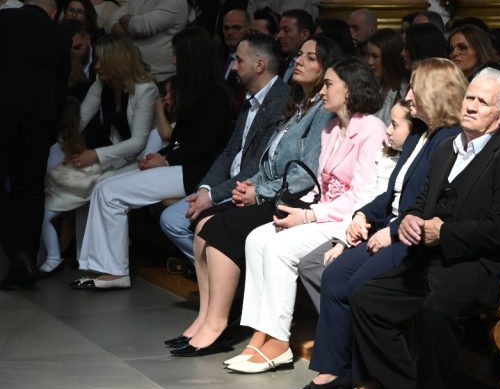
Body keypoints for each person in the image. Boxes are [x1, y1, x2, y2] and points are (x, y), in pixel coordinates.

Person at [349, 68, 500, 389]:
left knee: (437, 307)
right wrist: (409, 220)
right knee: (367, 298)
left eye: (483, 102)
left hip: (487, 264)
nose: (471, 106)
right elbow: (421, 203)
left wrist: (445, 233)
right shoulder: (446, 148)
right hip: (436, 257)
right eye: (470, 97)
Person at [291, 58, 466, 389]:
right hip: (389, 227)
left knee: (360, 284)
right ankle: (334, 370)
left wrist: (394, 230)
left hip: (413, 238)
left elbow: (434, 206)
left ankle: (367, 378)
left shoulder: (447, 140)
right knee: (335, 274)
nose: (408, 95)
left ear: (435, 92)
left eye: (415, 88)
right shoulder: (419, 134)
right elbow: (392, 193)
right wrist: (363, 214)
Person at [168, 36, 338, 354]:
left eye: (310, 58)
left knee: (220, 228)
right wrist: (251, 185)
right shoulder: (299, 105)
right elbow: (267, 160)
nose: (299, 61)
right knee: (204, 223)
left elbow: (305, 172)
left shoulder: (321, 110)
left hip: (294, 200)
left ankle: (219, 325)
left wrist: (258, 192)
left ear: (327, 69)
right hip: (272, 192)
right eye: (299, 55)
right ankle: (206, 317)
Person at [222, 57, 385, 371]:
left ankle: (279, 342)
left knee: (279, 248)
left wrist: (309, 216)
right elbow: (320, 185)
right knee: (257, 239)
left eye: (329, 84)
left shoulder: (371, 130)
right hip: (323, 213)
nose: (322, 91)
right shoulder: (330, 127)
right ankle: (260, 334)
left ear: (349, 89)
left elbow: (361, 196)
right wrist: (297, 210)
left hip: (346, 220)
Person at [69, 27, 232, 290]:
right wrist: (161, 155)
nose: (172, 60)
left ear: (191, 57)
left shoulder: (214, 95)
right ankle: (102, 267)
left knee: (110, 193)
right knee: (102, 187)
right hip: (181, 166)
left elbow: (204, 147)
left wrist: (165, 159)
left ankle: (114, 271)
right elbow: (181, 139)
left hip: (196, 174)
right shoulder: (198, 91)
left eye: (176, 54)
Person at [157, 34, 290, 265]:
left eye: (239, 60)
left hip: (250, 190)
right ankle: (224, 273)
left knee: (182, 221)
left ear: (259, 65)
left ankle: (229, 274)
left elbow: (257, 165)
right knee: (172, 218)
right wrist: (205, 189)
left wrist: (212, 195)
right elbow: (229, 152)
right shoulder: (251, 98)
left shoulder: (281, 101)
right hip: (227, 182)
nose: (234, 66)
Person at [39, 35, 158, 273]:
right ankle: (84, 259)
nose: (97, 66)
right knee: (71, 177)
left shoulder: (146, 90)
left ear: (118, 62)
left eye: (102, 61)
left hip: (144, 160)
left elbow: (139, 142)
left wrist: (94, 155)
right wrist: (61, 147)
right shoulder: (102, 84)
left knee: (98, 188)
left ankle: (103, 259)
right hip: (117, 157)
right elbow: (81, 119)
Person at [0, 0, 70, 290]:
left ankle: (16, 253)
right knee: (30, 189)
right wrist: (51, 127)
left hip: (3, 113)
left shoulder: (4, 19)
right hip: (40, 120)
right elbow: (61, 84)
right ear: (53, 13)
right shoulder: (59, 34)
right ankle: (27, 261)